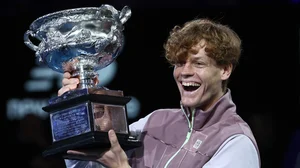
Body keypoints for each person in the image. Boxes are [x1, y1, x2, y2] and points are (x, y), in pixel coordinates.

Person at [58, 18, 260, 168]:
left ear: (225, 70)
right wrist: (81, 105)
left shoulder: (235, 142)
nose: (185, 72)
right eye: (180, 63)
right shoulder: (154, 122)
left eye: (199, 63)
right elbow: (82, 164)